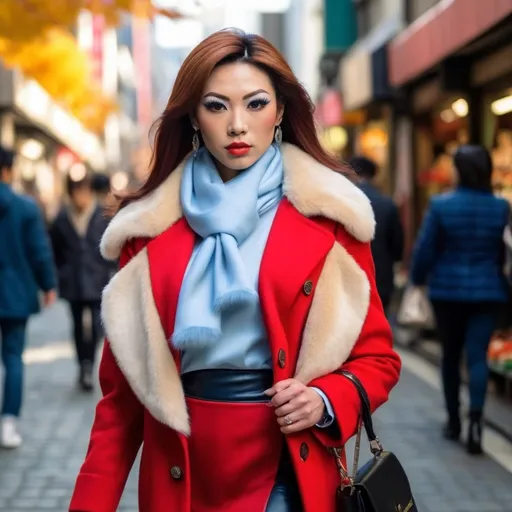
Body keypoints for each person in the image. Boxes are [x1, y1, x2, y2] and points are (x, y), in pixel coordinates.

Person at [70, 29, 401, 512]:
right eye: (217, 106)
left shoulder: (331, 218)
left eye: (255, 103)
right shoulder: (146, 231)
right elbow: (120, 404)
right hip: (181, 463)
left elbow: (378, 359)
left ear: (281, 111)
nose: (237, 125)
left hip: (288, 458)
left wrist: (326, 398)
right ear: (195, 118)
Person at [411, 145, 509, 455]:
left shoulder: (441, 205)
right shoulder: (501, 206)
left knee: (450, 357)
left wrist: (416, 279)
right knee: (478, 356)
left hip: (446, 292)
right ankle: (477, 422)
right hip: (489, 291)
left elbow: (425, 249)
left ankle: (453, 420)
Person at [0, 146, 56, 448]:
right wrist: (48, 285)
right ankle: (8, 424)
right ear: (8, 170)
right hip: (14, 296)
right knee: (13, 358)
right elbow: (39, 251)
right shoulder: (25, 208)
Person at [49, 173, 112, 392]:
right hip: (73, 282)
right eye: (76, 192)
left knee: (95, 325)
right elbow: (55, 250)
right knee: (77, 325)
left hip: (96, 280)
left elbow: (110, 246)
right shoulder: (61, 219)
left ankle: (89, 364)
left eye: (84, 191)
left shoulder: (101, 215)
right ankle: (83, 365)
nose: (81, 197)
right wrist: (61, 272)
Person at [349, 156, 403, 311]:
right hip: (381, 275)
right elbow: (397, 243)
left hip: (349, 275)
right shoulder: (386, 203)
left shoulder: (342, 200)